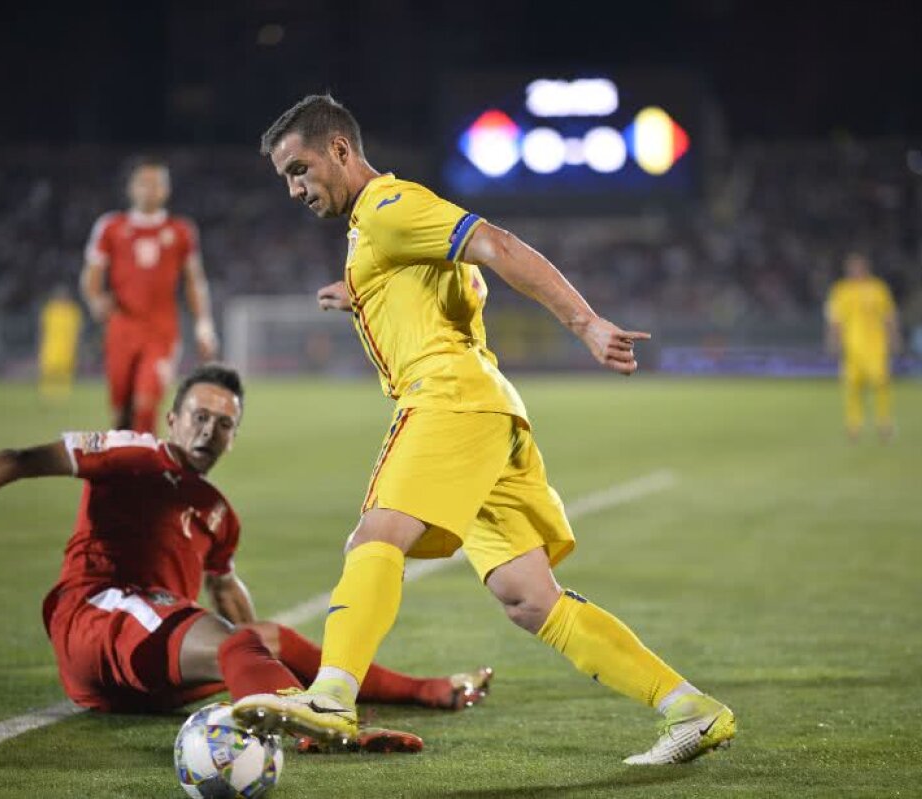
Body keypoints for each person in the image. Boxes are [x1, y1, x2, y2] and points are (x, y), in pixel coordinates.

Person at [232, 95, 735, 766]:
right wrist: (362, 290)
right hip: (488, 412)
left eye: (299, 169)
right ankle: (691, 708)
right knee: (529, 599)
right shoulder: (381, 231)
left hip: (447, 402)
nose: (295, 189)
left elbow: (497, 245)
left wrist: (585, 323)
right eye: (286, 178)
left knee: (376, 535)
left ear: (341, 152)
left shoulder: (388, 208)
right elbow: (457, 278)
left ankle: (330, 694)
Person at [0, 364, 491, 754]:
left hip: (150, 668)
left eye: (224, 424)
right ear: (173, 419)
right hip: (96, 619)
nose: (209, 431)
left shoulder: (215, 510)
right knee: (240, 644)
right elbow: (23, 457)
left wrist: (257, 646)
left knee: (264, 637)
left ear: (235, 436)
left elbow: (230, 598)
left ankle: (423, 689)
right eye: (200, 418)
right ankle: (314, 734)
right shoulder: (133, 452)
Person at [80, 158, 219, 434]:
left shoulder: (181, 231)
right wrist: (95, 299)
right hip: (121, 329)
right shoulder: (110, 227)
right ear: (131, 188)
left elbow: (194, 281)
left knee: (145, 404)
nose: (150, 189)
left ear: (166, 190)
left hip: (161, 331)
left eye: (157, 184)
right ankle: (122, 472)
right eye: (144, 183)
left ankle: (145, 475)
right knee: (121, 414)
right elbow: (91, 275)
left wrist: (204, 327)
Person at [824, 252, 900, 441]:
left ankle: (884, 424)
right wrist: (833, 341)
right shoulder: (841, 290)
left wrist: (894, 337)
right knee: (852, 388)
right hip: (852, 348)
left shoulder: (878, 289)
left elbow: (889, 316)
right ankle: (854, 426)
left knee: (880, 384)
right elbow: (835, 320)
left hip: (876, 347)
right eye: (852, 268)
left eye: (858, 267)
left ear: (866, 268)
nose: (855, 271)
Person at [38, 284, 83, 402]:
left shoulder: (73, 311)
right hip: (51, 345)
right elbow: (43, 329)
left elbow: (77, 332)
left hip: (67, 347)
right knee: (50, 370)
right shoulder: (50, 310)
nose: (62, 298)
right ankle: (48, 396)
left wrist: (77, 348)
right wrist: (40, 346)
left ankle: (63, 397)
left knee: (65, 372)